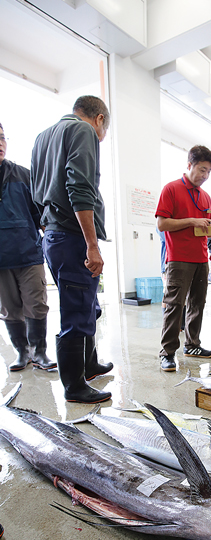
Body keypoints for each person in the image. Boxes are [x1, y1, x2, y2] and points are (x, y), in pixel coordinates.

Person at [30, 95, 113, 404]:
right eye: (104, 131)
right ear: (100, 119)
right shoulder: (84, 131)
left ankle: (88, 365)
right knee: (77, 310)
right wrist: (92, 244)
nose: (101, 137)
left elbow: (35, 190)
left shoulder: (43, 137)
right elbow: (80, 189)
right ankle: (74, 386)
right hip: (72, 235)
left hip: (53, 235)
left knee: (86, 303)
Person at [0, 123, 56, 372]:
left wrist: (49, 242)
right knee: (9, 308)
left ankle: (40, 352)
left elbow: (40, 215)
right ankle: (22, 353)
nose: (1, 143)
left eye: (2, 137)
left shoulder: (23, 175)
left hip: (28, 253)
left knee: (36, 303)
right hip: (1, 260)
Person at [156, 145, 211, 372]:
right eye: (202, 169)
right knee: (174, 306)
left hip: (201, 258)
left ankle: (193, 344)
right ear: (189, 165)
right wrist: (191, 221)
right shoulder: (171, 189)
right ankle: (167, 352)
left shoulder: (205, 196)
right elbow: (162, 224)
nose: (205, 176)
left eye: (208, 172)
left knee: (197, 304)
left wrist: (207, 226)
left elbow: (210, 226)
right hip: (178, 259)